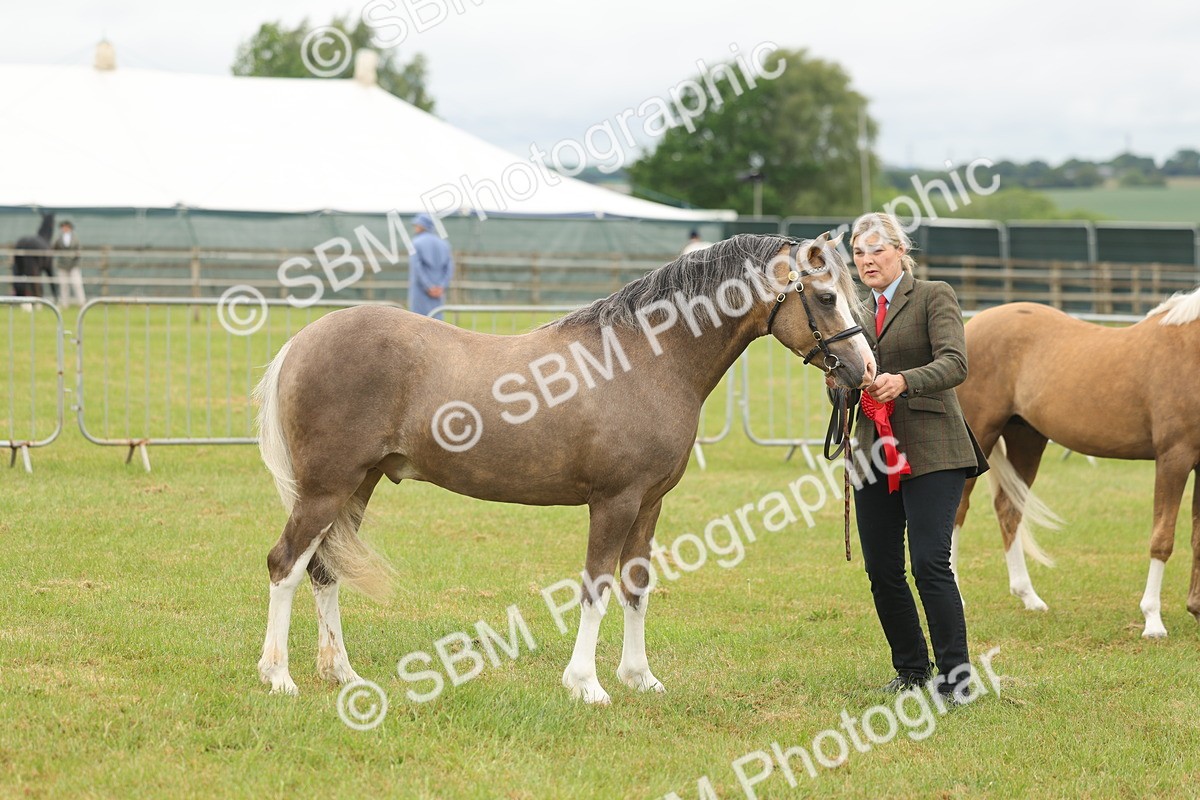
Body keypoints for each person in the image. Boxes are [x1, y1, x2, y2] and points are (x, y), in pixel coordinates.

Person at [846, 212, 987, 705]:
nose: (867, 261)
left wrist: (904, 380)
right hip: (872, 453)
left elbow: (955, 363)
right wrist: (839, 387)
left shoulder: (933, 295)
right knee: (881, 569)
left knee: (929, 562)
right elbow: (850, 393)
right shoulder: (855, 316)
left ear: (900, 251)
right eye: (859, 253)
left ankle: (957, 680)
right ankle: (911, 670)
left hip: (933, 449)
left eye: (876, 251)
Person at [408, 213, 454, 318]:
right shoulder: (444, 244)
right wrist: (441, 286)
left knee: (418, 324)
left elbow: (417, 268)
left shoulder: (415, 243)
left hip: (421, 292)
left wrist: (428, 286)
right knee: (437, 323)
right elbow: (449, 267)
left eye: (416, 225)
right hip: (438, 293)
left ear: (421, 225)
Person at [53, 220, 85, 308]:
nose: (65, 228)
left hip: (73, 264)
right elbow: (54, 248)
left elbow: (78, 250)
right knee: (63, 285)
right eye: (63, 227)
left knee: (77, 284)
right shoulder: (59, 238)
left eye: (66, 227)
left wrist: (74, 258)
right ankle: (64, 303)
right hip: (62, 265)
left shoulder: (75, 238)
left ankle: (82, 303)